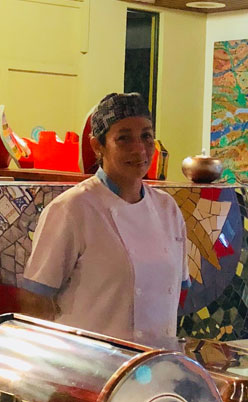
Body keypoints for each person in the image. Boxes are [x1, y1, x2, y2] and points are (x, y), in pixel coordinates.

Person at [18, 92, 189, 348]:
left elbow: (179, 292)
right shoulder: (72, 209)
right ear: (98, 146)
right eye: (123, 138)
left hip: (156, 366)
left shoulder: (168, 209)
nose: (139, 149)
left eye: (146, 136)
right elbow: (35, 301)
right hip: (90, 368)